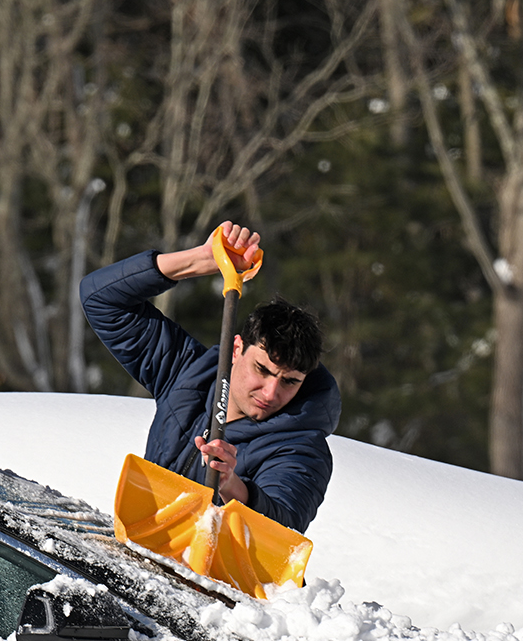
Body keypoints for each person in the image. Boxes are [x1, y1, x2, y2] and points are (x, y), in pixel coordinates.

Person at [80, 222, 340, 533]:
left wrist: (233, 487)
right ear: (237, 349)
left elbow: (283, 525)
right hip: (137, 545)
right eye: (262, 370)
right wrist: (203, 260)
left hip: (202, 579)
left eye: (290, 382)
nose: (271, 393)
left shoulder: (301, 446)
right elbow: (100, 298)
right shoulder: (189, 372)